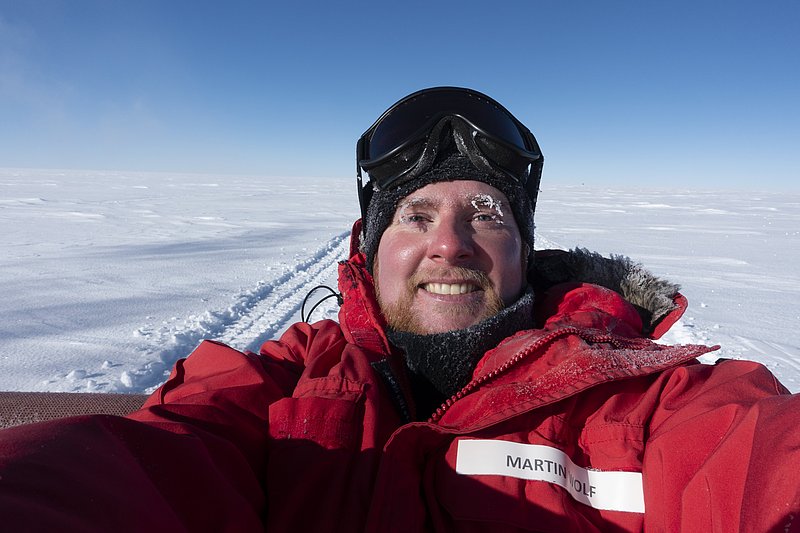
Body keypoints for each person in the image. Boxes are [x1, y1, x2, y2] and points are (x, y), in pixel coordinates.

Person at [0, 86, 798, 532]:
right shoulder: (278, 392)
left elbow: (757, 463)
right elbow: (145, 465)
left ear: (528, 253)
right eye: (414, 216)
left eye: (487, 213)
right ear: (368, 249)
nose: (449, 243)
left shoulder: (647, 407)